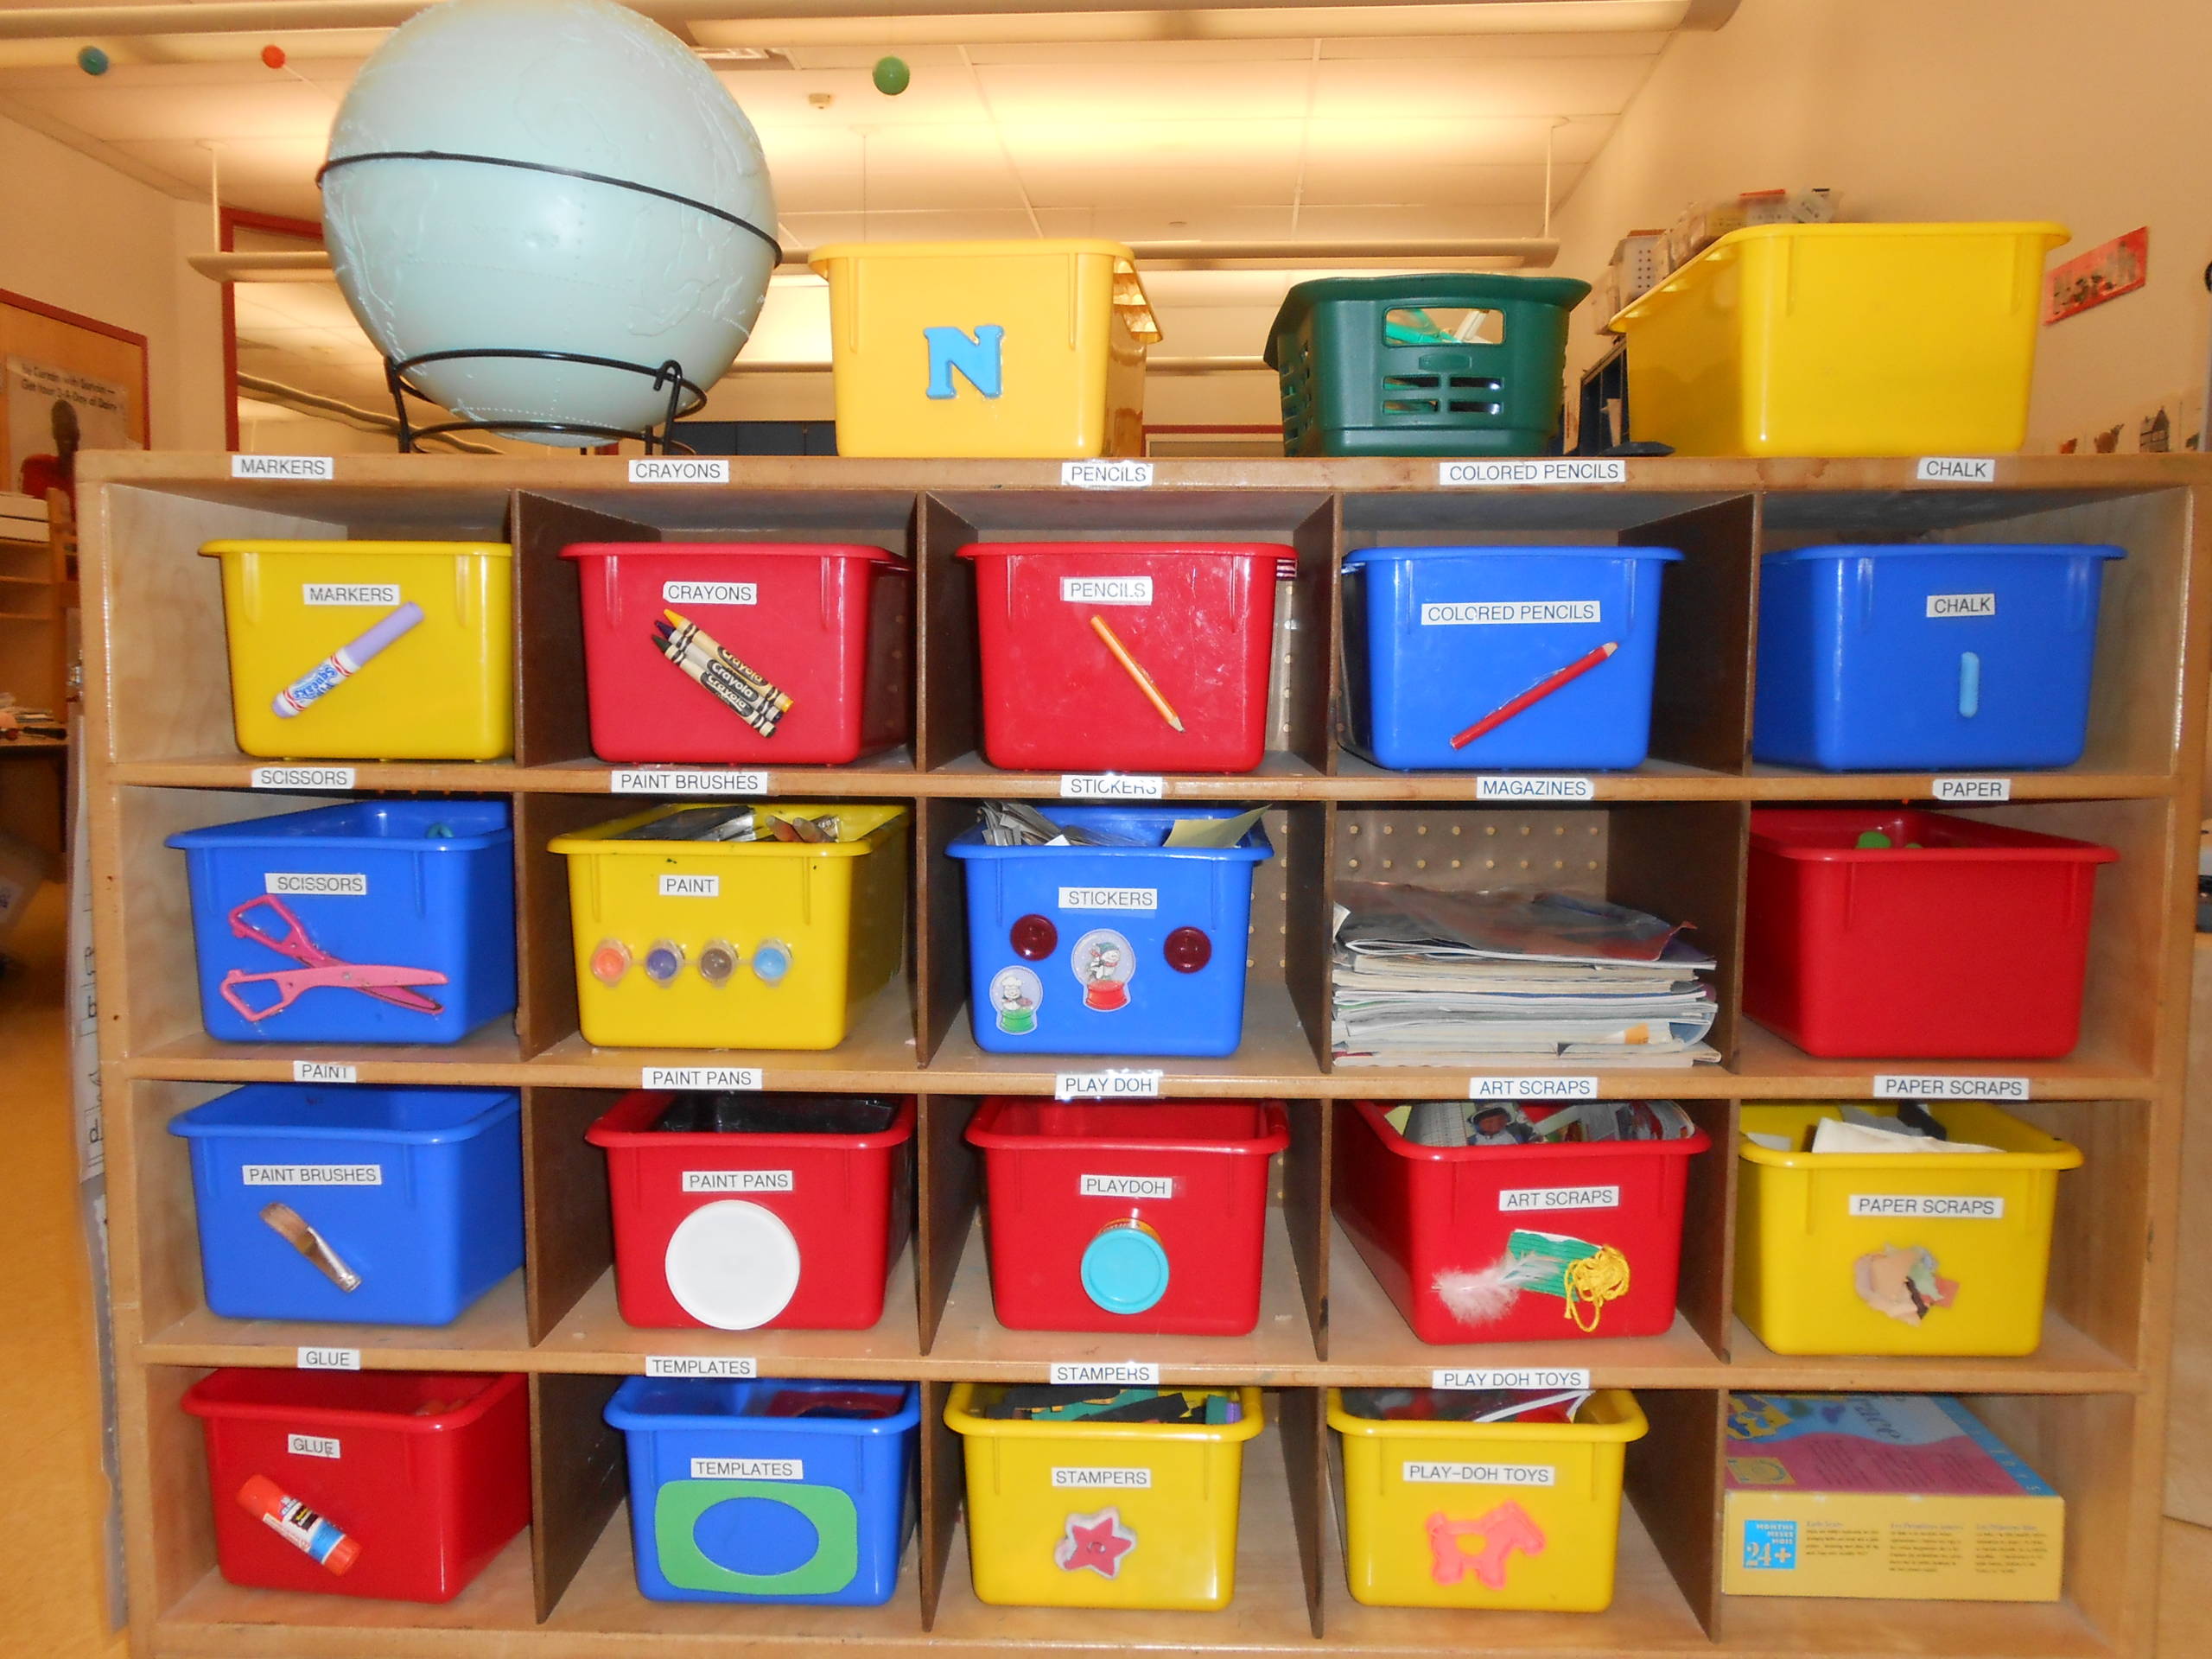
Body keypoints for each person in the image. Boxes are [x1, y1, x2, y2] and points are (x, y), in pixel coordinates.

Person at [16, 398, 79, 509]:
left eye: (70, 425)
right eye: (61, 426)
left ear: (78, 433)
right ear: (54, 432)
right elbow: (33, 512)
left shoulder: (90, 475)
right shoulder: (37, 466)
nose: (65, 431)